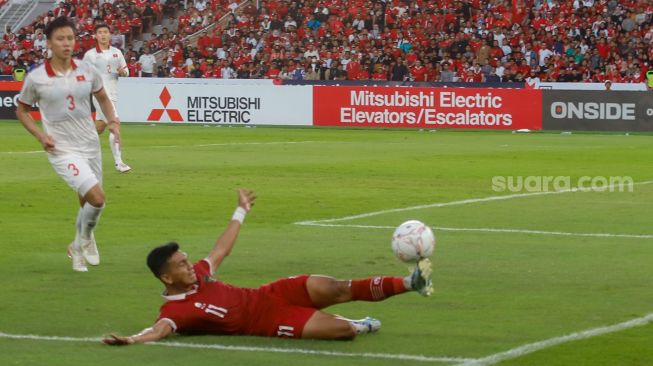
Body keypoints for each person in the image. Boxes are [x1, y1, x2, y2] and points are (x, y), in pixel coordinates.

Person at [103, 190, 433, 345]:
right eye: (181, 265)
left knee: (338, 288)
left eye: (187, 259)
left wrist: (240, 211)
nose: (190, 266)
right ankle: (358, 324)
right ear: (166, 277)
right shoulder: (175, 311)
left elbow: (220, 249)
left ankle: (410, 283)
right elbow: (158, 331)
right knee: (342, 332)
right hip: (271, 321)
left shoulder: (201, 274)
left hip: (273, 293)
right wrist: (131, 340)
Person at [15, 17, 121, 272]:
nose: (66, 43)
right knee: (97, 198)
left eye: (70, 38)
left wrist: (113, 121)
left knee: (88, 197)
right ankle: (83, 239)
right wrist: (41, 136)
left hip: (90, 143)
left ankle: (79, 243)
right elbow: (22, 110)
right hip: (61, 148)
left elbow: (104, 98)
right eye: (60, 38)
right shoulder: (37, 78)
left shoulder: (87, 70)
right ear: (49, 43)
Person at [83, 23, 131, 173]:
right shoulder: (90, 55)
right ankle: (119, 163)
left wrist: (122, 72)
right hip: (100, 95)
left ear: (110, 35)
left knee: (100, 126)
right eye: (100, 32)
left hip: (114, 92)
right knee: (114, 123)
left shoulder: (117, 52)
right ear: (96, 36)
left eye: (105, 32)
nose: (103, 35)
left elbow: (126, 72)